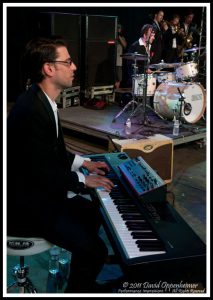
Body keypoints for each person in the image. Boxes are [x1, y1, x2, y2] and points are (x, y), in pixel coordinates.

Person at [7, 36, 115, 293]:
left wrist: (82, 163)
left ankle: (81, 279)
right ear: (49, 68)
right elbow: (41, 172)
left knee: (92, 213)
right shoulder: (31, 109)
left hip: (38, 194)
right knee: (96, 250)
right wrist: (82, 181)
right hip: (26, 208)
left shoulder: (41, 99)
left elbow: (50, 151)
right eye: (67, 61)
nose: (75, 66)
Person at [115, 23, 127, 89]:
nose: (118, 29)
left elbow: (125, 46)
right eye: (117, 28)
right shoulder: (112, 37)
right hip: (111, 61)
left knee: (118, 78)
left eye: (119, 28)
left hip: (118, 62)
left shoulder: (122, 38)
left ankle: (116, 92)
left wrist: (119, 37)